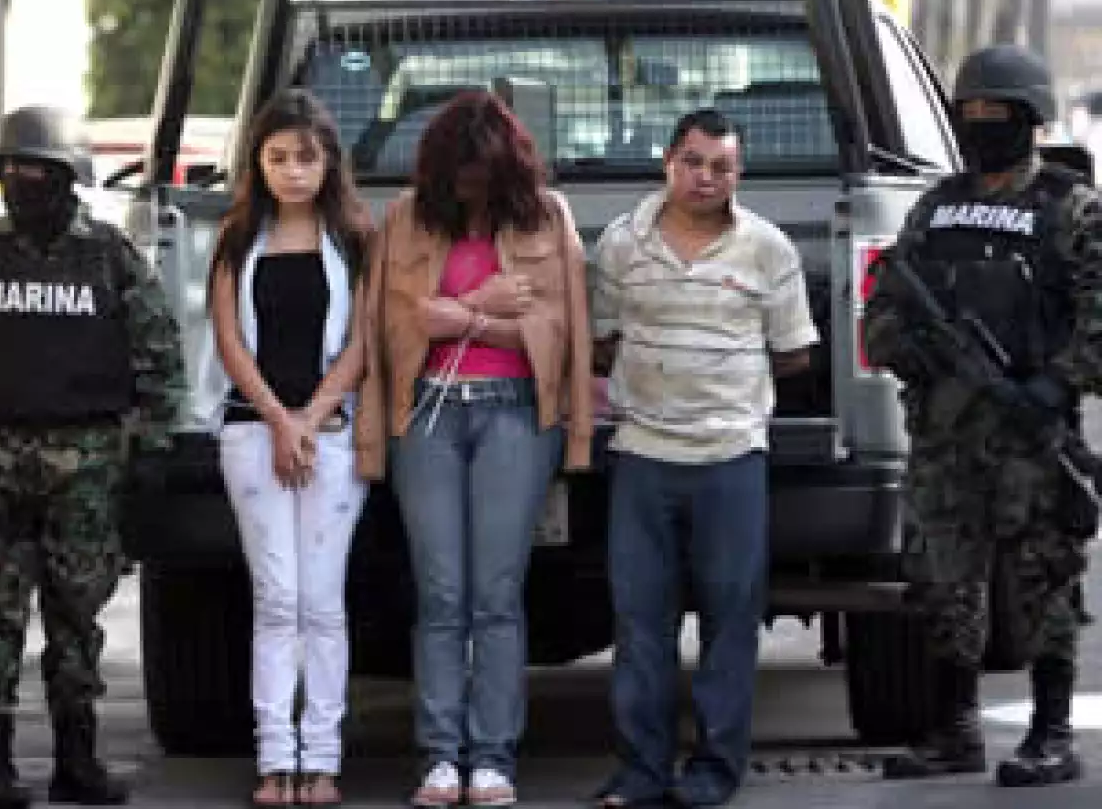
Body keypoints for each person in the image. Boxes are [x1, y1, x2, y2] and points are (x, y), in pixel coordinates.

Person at [0, 105, 185, 808]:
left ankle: (76, 758)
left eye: (37, 171)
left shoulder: (111, 256)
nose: (21, 183)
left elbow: (160, 357)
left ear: (69, 178)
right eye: (12, 170)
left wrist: (151, 450)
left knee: (76, 615)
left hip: (86, 466)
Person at [863, 45, 1102, 787]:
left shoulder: (1070, 207)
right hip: (946, 436)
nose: (980, 128)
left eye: (996, 115)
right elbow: (881, 314)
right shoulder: (935, 208)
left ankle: (1052, 732)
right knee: (942, 581)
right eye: (969, 115)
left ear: (1030, 121)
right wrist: (915, 349)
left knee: (1044, 580)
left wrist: (1058, 388)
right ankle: (954, 730)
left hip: (1032, 434)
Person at [355, 90, 593, 807]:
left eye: (484, 174)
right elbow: (391, 330)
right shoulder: (402, 219)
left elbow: (560, 334)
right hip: (425, 414)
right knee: (441, 594)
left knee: (496, 592)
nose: (471, 187)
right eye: (460, 173)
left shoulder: (548, 218)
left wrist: (463, 318)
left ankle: (492, 756)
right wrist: (486, 306)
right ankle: (439, 757)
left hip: (516, 414)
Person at [589, 109, 817, 808]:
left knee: (729, 622)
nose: (706, 177)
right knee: (640, 625)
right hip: (643, 456)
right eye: (694, 161)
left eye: (721, 166)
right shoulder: (620, 244)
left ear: (738, 174)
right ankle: (641, 772)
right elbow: (601, 341)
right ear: (668, 162)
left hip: (731, 459)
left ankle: (715, 771)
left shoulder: (768, 248)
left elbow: (795, 351)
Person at [195, 89, 372, 807]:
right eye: (276, 157)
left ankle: (322, 762)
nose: (292, 171)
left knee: (321, 602)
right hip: (251, 435)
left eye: (306, 156)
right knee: (276, 599)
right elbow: (229, 341)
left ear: (329, 161)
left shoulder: (357, 237)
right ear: (257, 163)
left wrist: (311, 418)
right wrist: (276, 419)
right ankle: (276, 761)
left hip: (330, 439)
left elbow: (363, 342)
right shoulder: (238, 237)